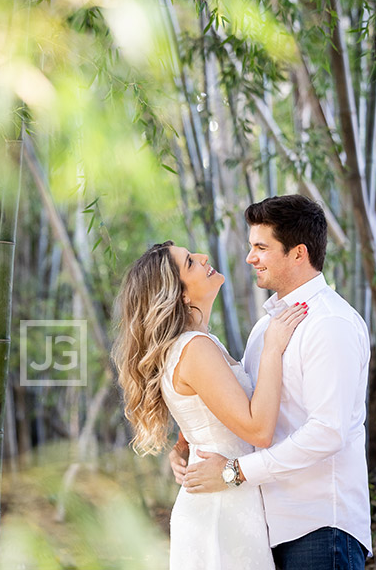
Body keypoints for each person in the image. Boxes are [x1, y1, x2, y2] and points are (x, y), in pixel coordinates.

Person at [176, 194, 372, 569]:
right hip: (267, 528)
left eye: (261, 247)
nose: (251, 257)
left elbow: (328, 431)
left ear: (299, 253)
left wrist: (235, 472)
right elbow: (246, 407)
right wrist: (187, 443)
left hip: (319, 526)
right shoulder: (267, 327)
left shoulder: (330, 323)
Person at [114, 238, 307, 569]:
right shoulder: (195, 348)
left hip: (225, 498)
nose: (203, 257)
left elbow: (202, 414)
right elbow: (258, 431)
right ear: (181, 295)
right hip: (222, 508)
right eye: (190, 262)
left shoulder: (196, 345)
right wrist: (273, 348)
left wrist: (182, 445)